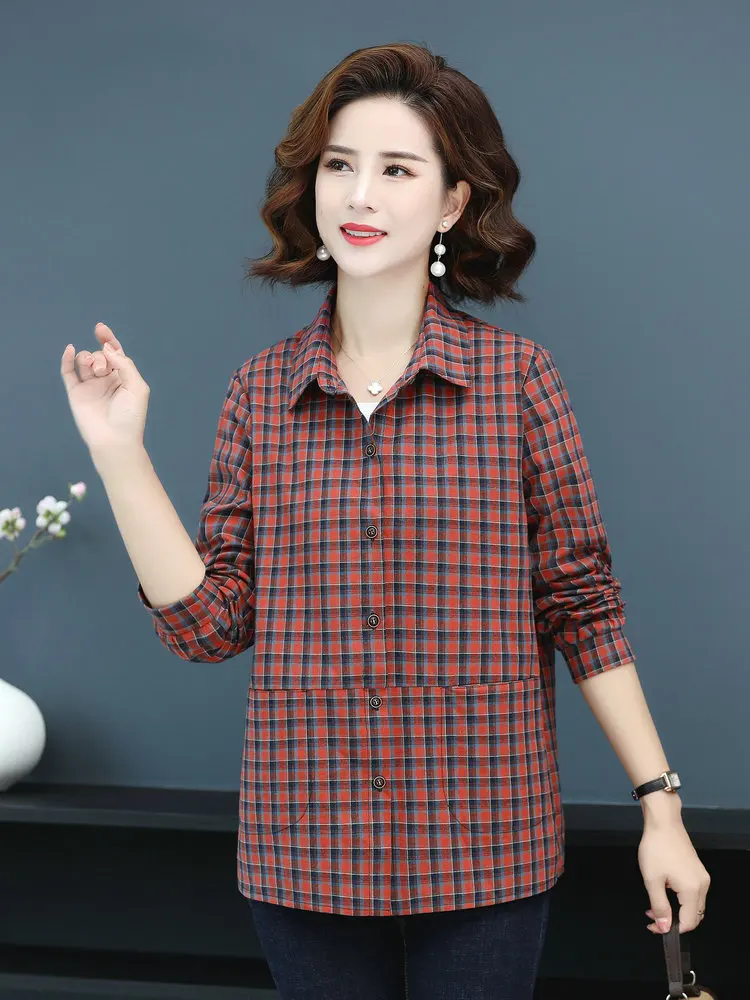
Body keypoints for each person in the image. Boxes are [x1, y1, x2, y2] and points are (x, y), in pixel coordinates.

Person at [60, 41, 710, 1000]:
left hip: (487, 843)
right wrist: (119, 453)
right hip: (304, 850)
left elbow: (582, 605)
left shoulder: (519, 383)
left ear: (452, 202)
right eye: (339, 165)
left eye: (397, 170)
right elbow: (210, 627)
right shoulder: (259, 392)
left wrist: (662, 810)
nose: (359, 195)